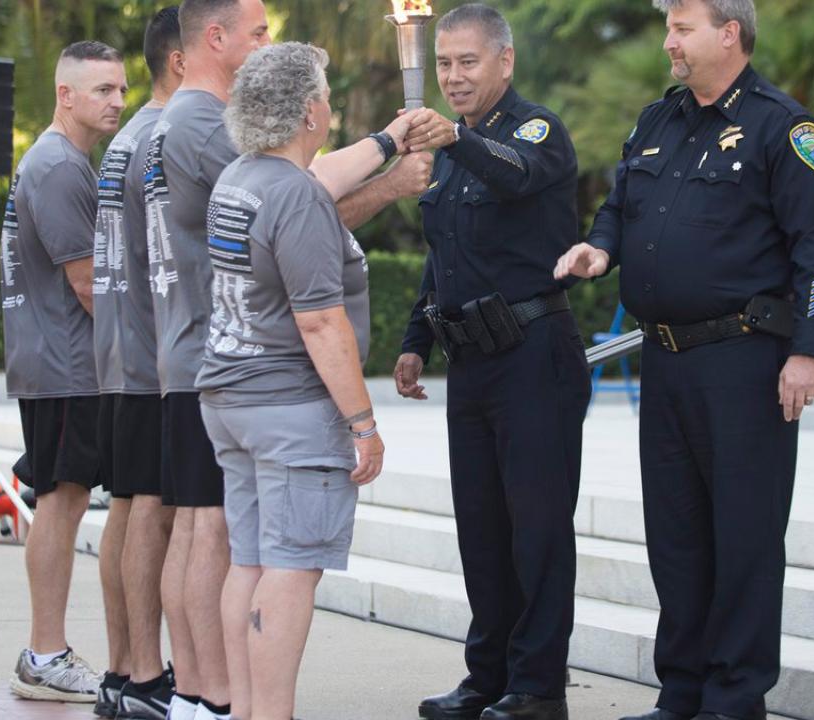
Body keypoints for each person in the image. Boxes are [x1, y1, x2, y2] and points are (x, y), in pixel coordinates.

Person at [553, 1, 814, 719]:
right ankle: (681, 693)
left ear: (729, 33)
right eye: (669, 27)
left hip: (746, 364)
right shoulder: (658, 120)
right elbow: (619, 203)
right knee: (675, 536)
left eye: (681, 28)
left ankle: (735, 698)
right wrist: (601, 246)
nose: (668, 42)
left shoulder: (786, 127)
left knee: (744, 538)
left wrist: (806, 352)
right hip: (669, 360)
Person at [144, 3, 431, 718]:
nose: (330, 110)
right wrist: (362, 423)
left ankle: (244, 709)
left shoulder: (241, 179)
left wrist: (389, 146)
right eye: (326, 100)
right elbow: (320, 321)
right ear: (308, 113)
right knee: (292, 571)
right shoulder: (293, 193)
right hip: (290, 409)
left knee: (251, 561)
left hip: (231, 399)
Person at [394, 5, 589, 720]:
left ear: (504, 62)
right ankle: (488, 678)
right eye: (444, 64)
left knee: (536, 529)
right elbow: (442, 255)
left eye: (467, 62)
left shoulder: (534, 131)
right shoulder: (450, 149)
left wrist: (455, 141)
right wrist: (417, 339)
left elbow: (513, 175)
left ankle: (538, 687)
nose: (453, 77)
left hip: (534, 355)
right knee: (481, 529)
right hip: (470, 363)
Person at [0, 40, 125, 704]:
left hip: (56, 362)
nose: (117, 101)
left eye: (120, 89)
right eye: (102, 90)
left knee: (63, 498)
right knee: (62, 500)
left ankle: (44, 649)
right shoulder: (59, 166)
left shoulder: (59, 161)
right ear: (65, 95)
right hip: (68, 364)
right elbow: (86, 283)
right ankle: (45, 650)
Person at [91, 8, 185, 719]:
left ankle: (125, 670)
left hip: (125, 349)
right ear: (181, 60)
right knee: (150, 509)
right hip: (154, 353)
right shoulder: (163, 133)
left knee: (129, 507)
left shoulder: (125, 138)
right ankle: (146, 673)